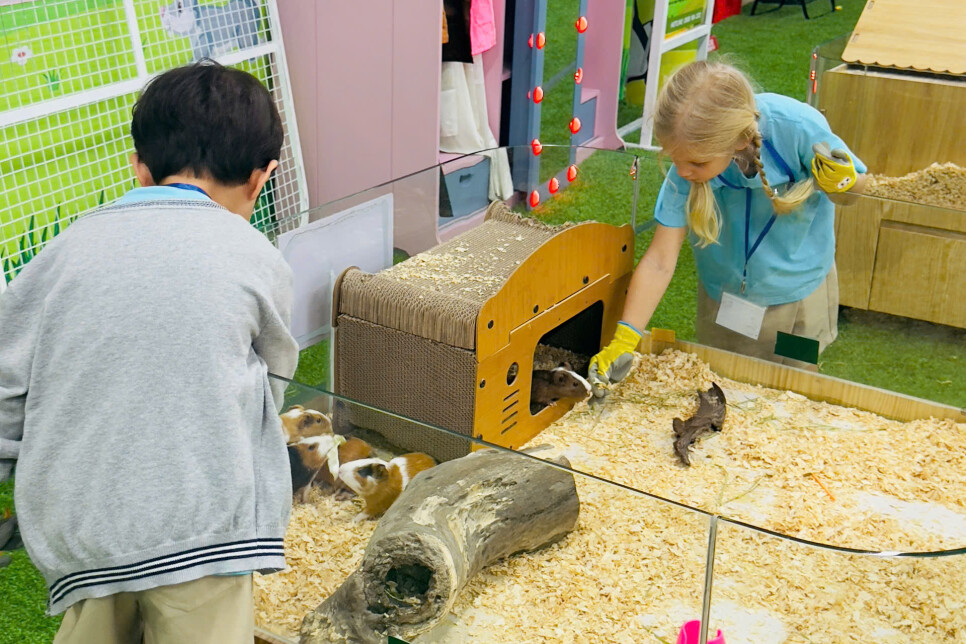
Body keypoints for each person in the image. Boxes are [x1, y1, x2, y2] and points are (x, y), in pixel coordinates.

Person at [0, 61, 299, 643]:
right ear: (262, 177)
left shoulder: (60, 253)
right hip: (205, 529)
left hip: (84, 532)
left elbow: (7, 385)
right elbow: (274, 381)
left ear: (139, 167)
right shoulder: (259, 257)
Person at [589, 60, 866, 392]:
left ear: (738, 141)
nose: (683, 172)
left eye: (697, 162)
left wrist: (844, 183)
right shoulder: (687, 161)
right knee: (729, 385)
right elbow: (660, 261)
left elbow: (856, 189)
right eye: (674, 159)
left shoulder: (798, 127)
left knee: (796, 383)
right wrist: (625, 337)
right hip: (727, 298)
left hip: (798, 299)